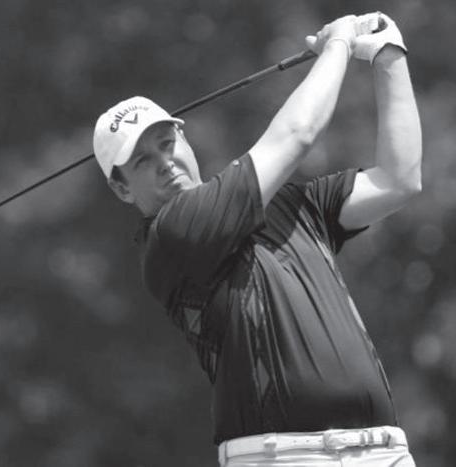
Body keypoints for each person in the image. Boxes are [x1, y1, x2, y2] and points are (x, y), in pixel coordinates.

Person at [93, 12, 421, 467]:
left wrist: (389, 56)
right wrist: (338, 46)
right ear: (122, 189)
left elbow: (399, 181)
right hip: (281, 456)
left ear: (184, 139)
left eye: (167, 143)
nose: (165, 163)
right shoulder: (171, 235)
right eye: (142, 161)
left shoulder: (289, 203)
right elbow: (298, 134)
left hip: (383, 452)